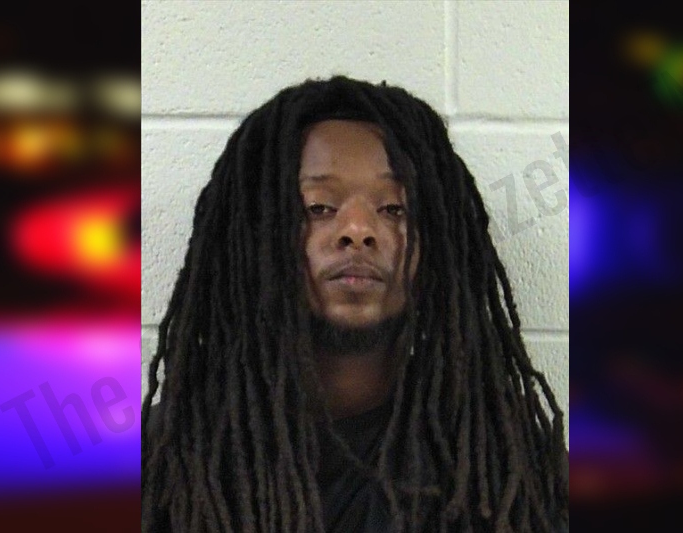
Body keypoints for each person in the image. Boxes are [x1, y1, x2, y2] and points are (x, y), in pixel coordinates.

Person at [142, 76, 568, 533]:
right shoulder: (165, 460)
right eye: (319, 207)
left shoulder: (509, 468)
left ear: (439, 246)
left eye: (394, 209)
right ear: (253, 237)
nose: (358, 230)